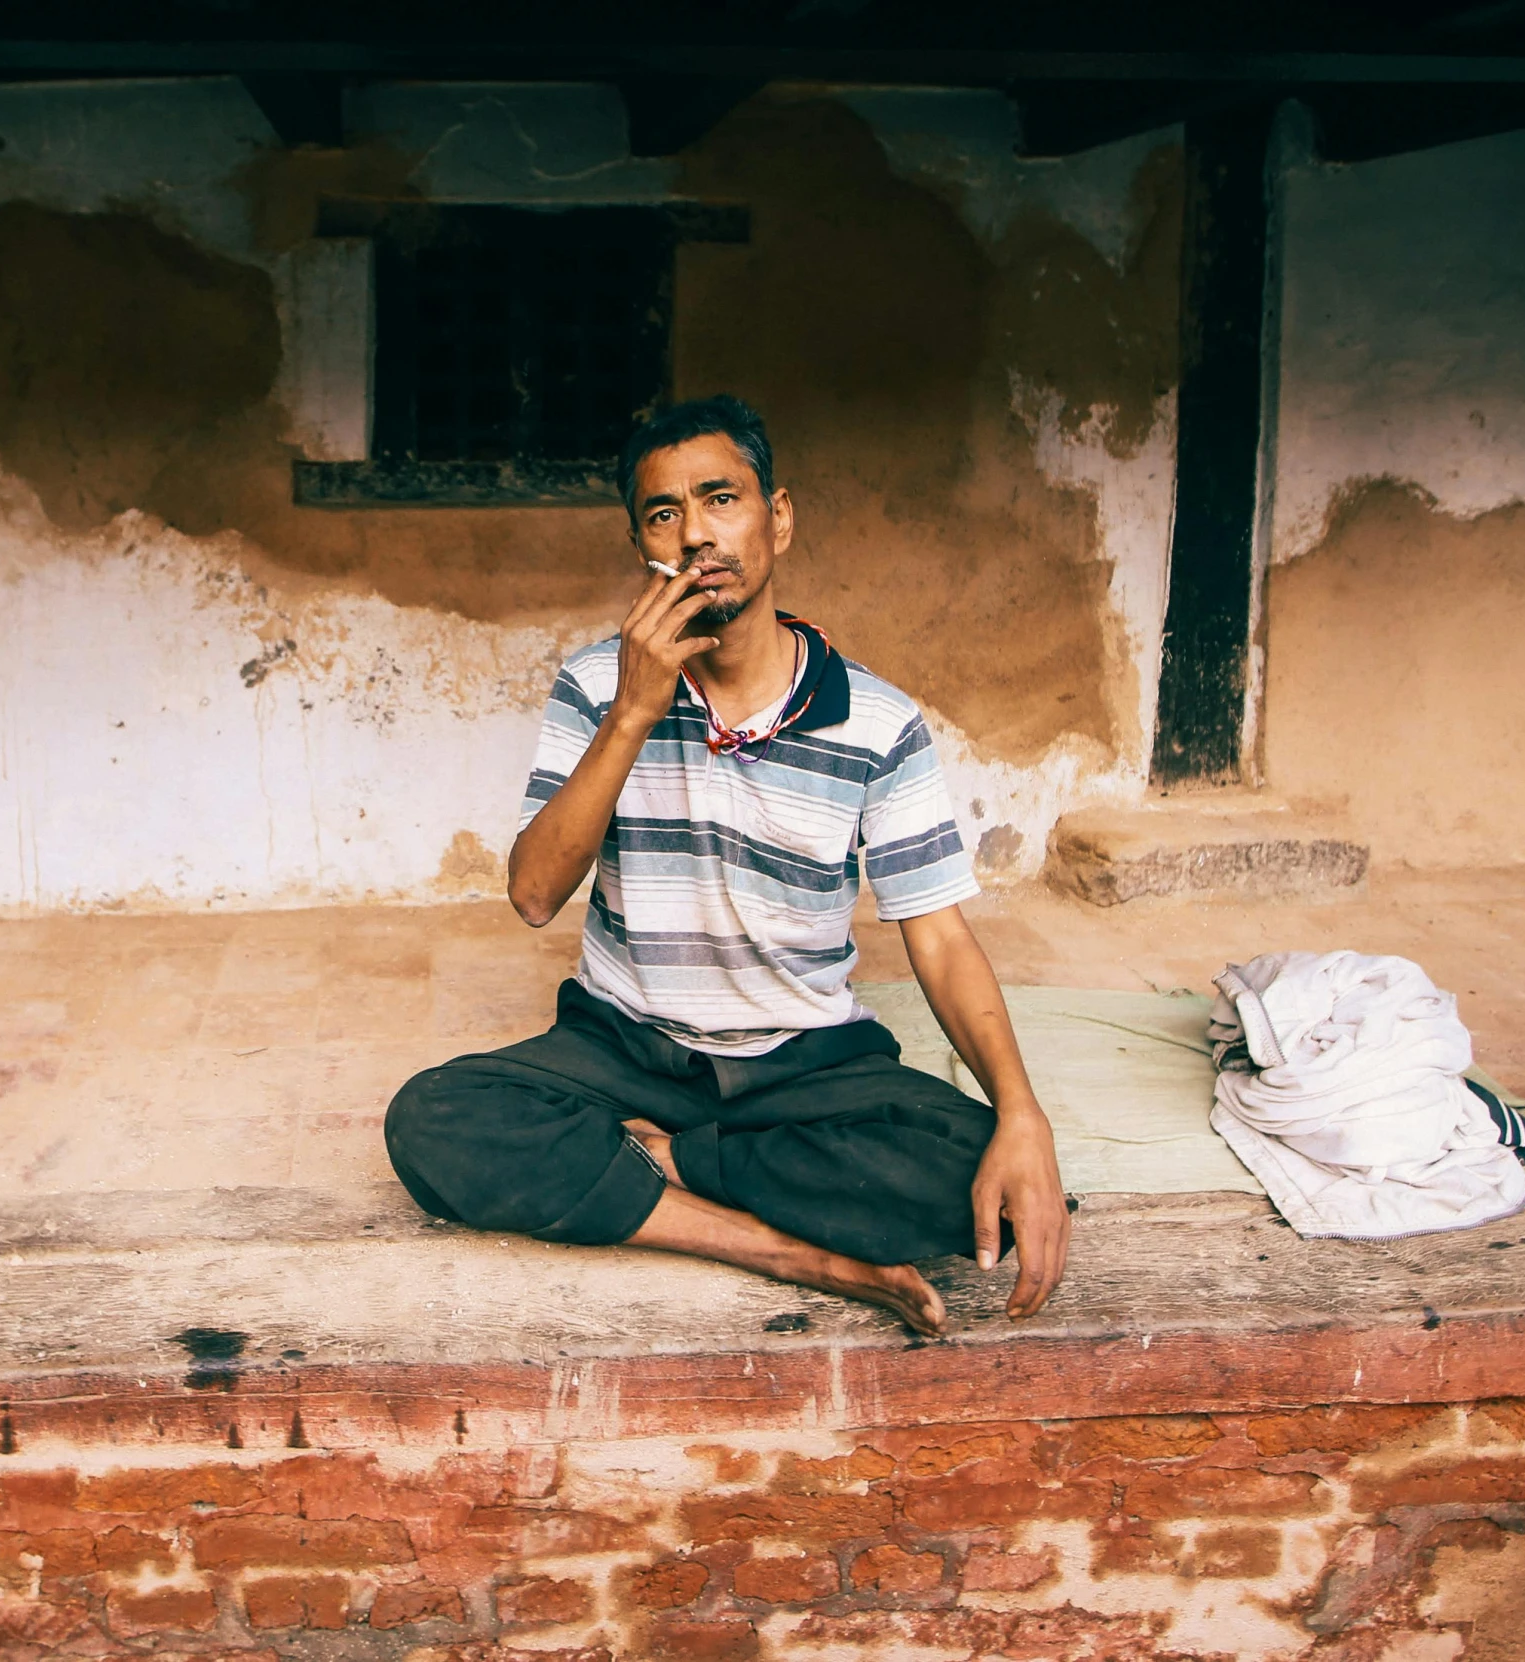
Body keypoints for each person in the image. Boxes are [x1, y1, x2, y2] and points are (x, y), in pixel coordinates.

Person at [383, 396, 1070, 1335]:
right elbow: (537, 895)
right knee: (434, 1119)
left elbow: (940, 937)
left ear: (776, 518)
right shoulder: (597, 685)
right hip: (628, 1048)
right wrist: (633, 710)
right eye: (665, 513)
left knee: (968, 1159)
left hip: (803, 1062)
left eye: (721, 499)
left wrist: (1022, 1113)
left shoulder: (878, 722)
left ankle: (655, 1167)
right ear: (643, 547)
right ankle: (788, 1247)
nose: (697, 533)